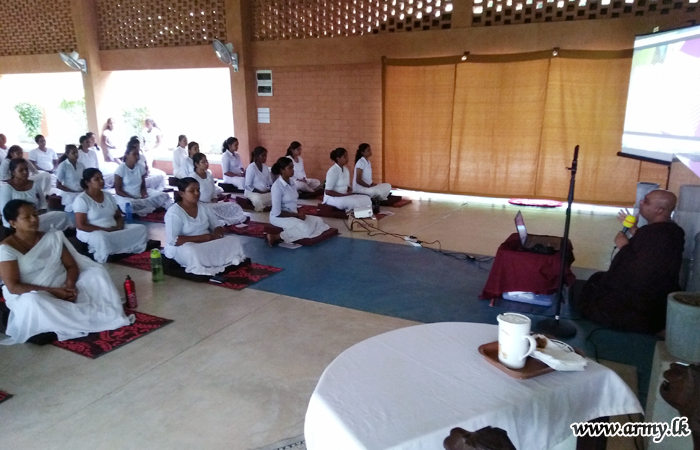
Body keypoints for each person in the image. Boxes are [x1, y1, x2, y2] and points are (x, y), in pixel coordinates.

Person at [0, 200, 131, 345]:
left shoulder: (52, 237)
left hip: (62, 284)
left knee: (96, 273)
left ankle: (73, 314)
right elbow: (13, 287)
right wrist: (54, 291)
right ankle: (84, 318)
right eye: (27, 217)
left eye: (35, 214)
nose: (34, 219)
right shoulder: (6, 249)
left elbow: (71, 266)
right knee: (33, 301)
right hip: (33, 292)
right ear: (13, 223)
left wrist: (69, 286)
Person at [578, 190, 685, 334]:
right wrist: (634, 229)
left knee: (587, 294)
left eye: (646, 201)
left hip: (641, 303)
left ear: (659, 210)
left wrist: (624, 246)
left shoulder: (658, 234)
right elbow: (648, 248)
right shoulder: (674, 231)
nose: (641, 203)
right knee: (597, 278)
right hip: (658, 296)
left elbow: (639, 270)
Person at [164, 177, 246, 276]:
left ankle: (218, 261)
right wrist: (202, 238)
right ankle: (207, 263)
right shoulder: (174, 212)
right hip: (184, 246)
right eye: (192, 191)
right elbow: (174, 240)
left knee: (234, 240)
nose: (196, 193)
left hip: (207, 242)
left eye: (198, 190)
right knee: (192, 251)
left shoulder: (203, 206)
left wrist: (218, 233)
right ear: (181, 194)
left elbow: (216, 225)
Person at [74, 168, 148, 263]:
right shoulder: (81, 200)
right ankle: (112, 249)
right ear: (88, 182)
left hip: (113, 229)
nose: (101, 181)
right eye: (96, 179)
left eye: (102, 178)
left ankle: (120, 248)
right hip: (93, 232)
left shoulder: (108, 195)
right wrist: (105, 230)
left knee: (141, 228)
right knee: (102, 238)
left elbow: (118, 215)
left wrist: (119, 226)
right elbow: (81, 225)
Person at [267, 157, 330, 247]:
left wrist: (299, 212)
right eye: (290, 168)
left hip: (293, 214)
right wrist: (296, 215)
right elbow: (277, 212)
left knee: (318, 221)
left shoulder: (292, 183)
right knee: (304, 228)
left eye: (293, 167)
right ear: (282, 170)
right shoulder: (277, 187)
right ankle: (276, 237)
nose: (293, 170)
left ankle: (305, 231)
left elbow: (293, 202)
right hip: (279, 217)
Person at [0, 159, 72, 231]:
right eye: (21, 170)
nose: (25, 172)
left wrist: (38, 215)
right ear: (13, 172)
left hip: (35, 218)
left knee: (62, 216)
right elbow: (5, 212)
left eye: (26, 169)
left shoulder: (34, 184)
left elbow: (43, 203)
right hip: (17, 224)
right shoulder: (7, 188)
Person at [113, 142, 172, 216]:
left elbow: (143, 185)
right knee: (129, 205)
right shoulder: (121, 169)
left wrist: (144, 194)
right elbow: (118, 190)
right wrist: (131, 197)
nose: (137, 157)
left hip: (139, 195)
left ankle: (146, 207)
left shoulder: (140, 168)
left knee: (164, 195)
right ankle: (152, 207)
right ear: (127, 155)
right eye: (134, 154)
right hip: (126, 197)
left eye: (137, 154)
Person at [192, 152, 247, 226]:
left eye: (207, 161)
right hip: (200, 206)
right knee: (213, 214)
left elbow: (213, 189)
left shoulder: (209, 174)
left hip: (211, 204)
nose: (206, 164)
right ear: (196, 164)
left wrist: (214, 198)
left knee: (234, 206)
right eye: (203, 162)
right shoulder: (192, 178)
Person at [323, 148, 372, 212]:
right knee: (355, 202)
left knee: (366, 199)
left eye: (347, 156)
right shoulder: (332, 171)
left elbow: (347, 186)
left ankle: (365, 214)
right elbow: (328, 191)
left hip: (344, 195)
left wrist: (350, 190)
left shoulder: (346, 170)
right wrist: (343, 195)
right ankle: (358, 216)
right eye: (345, 157)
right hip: (333, 198)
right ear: (338, 159)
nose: (347, 158)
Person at [55, 145, 85, 212]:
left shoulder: (81, 165)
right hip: (69, 194)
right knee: (75, 209)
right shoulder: (63, 165)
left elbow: (85, 178)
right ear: (67, 154)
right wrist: (72, 192)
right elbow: (58, 185)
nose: (76, 154)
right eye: (73, 153)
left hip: (81, 191)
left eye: (77, 152)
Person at [244, 146, 273, 212]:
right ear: (256, 157)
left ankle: (268, 205)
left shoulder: (265, 167)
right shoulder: (251, 168)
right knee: (258, 198)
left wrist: (271, 189)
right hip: (253, 193)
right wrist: (260, 192)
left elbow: (270, 182)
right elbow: (247, 185)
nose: (265, 158)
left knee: (276, 195)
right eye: (262, 156)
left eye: (265, 156)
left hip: (265, 191)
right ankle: (263, 207)